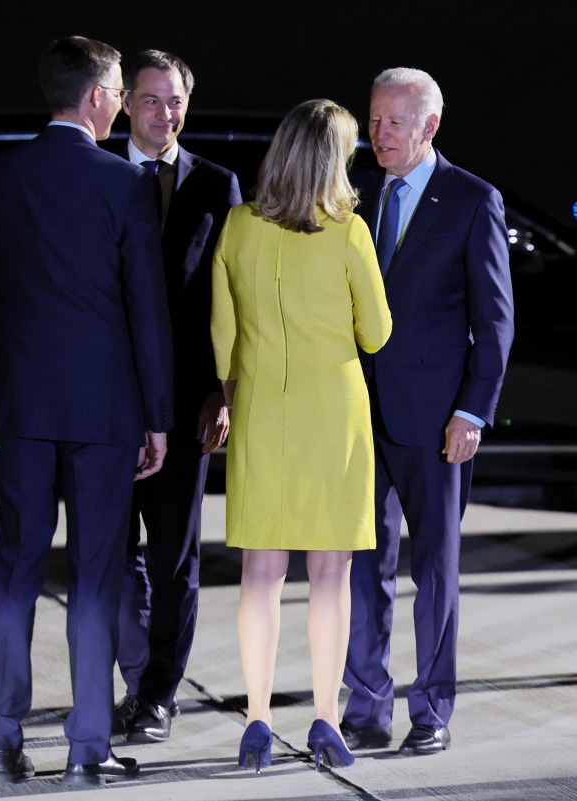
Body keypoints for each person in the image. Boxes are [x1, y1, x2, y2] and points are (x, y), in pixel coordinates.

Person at [0, 35, 172, 786]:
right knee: (95, 573)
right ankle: (88, 747)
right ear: (94, 97)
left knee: (14, 569)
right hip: (104, 411)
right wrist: (157, 415)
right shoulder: (123, 185)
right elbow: (145, 311)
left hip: (22, 406)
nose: (121, 102)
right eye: (119, 89)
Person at [211, 99, 392, 772]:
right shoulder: (349, 232)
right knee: (331, 573)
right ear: (332, 160)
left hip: (263, 409)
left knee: (260, 572)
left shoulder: (237, 226)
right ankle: (324, 716)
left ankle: (256, 719)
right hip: (333, 414)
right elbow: (377, 331)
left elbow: (222, 338)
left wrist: (227, 397)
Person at [341, 67, 515, 757]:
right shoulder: (354, 194)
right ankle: (367, 703)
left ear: (429, 126)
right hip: (358, 414)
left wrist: (472, 410)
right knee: (362, 563)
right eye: (373, 119)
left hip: (438, 420)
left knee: (435, 568)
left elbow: (496, 322)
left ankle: (433, 707)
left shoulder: (472, 200)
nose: (378, 133)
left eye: (392, 122)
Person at [112, 49, 242, 745]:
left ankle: (159, 692)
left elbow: (230, 301)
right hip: (103, 405)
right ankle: (122, 675)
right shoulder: (97, 176)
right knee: (104, 554)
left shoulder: (216, 185)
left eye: (177, 101)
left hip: (187, 405)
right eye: (153, 99)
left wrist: (224, 393)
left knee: (173, 558)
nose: (166, 113)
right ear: (126, 102)